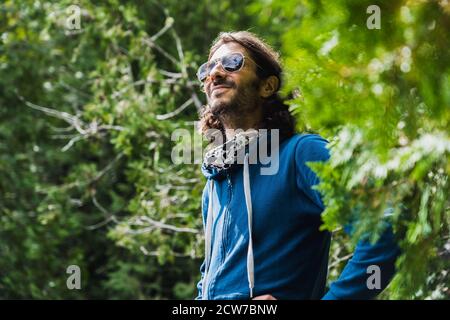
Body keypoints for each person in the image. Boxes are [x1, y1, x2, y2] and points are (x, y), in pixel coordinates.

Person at [195, 31, 400, 300]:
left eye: (233, 62)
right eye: (208, 68)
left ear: (267, 86)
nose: (216, 73)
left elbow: (385, 230)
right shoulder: (215, 181)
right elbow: (208, 282)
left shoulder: (302, 153)